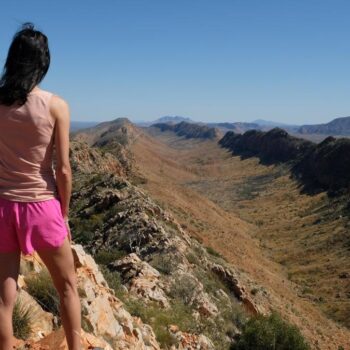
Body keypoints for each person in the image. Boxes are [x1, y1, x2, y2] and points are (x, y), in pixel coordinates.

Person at [0, 23, 81, 350]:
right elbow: (62, 169)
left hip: (3, 205)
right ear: (42, 63)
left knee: (5, 293)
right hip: (41, 206)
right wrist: (63, 212)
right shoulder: (55, 105)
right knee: (67, 288)